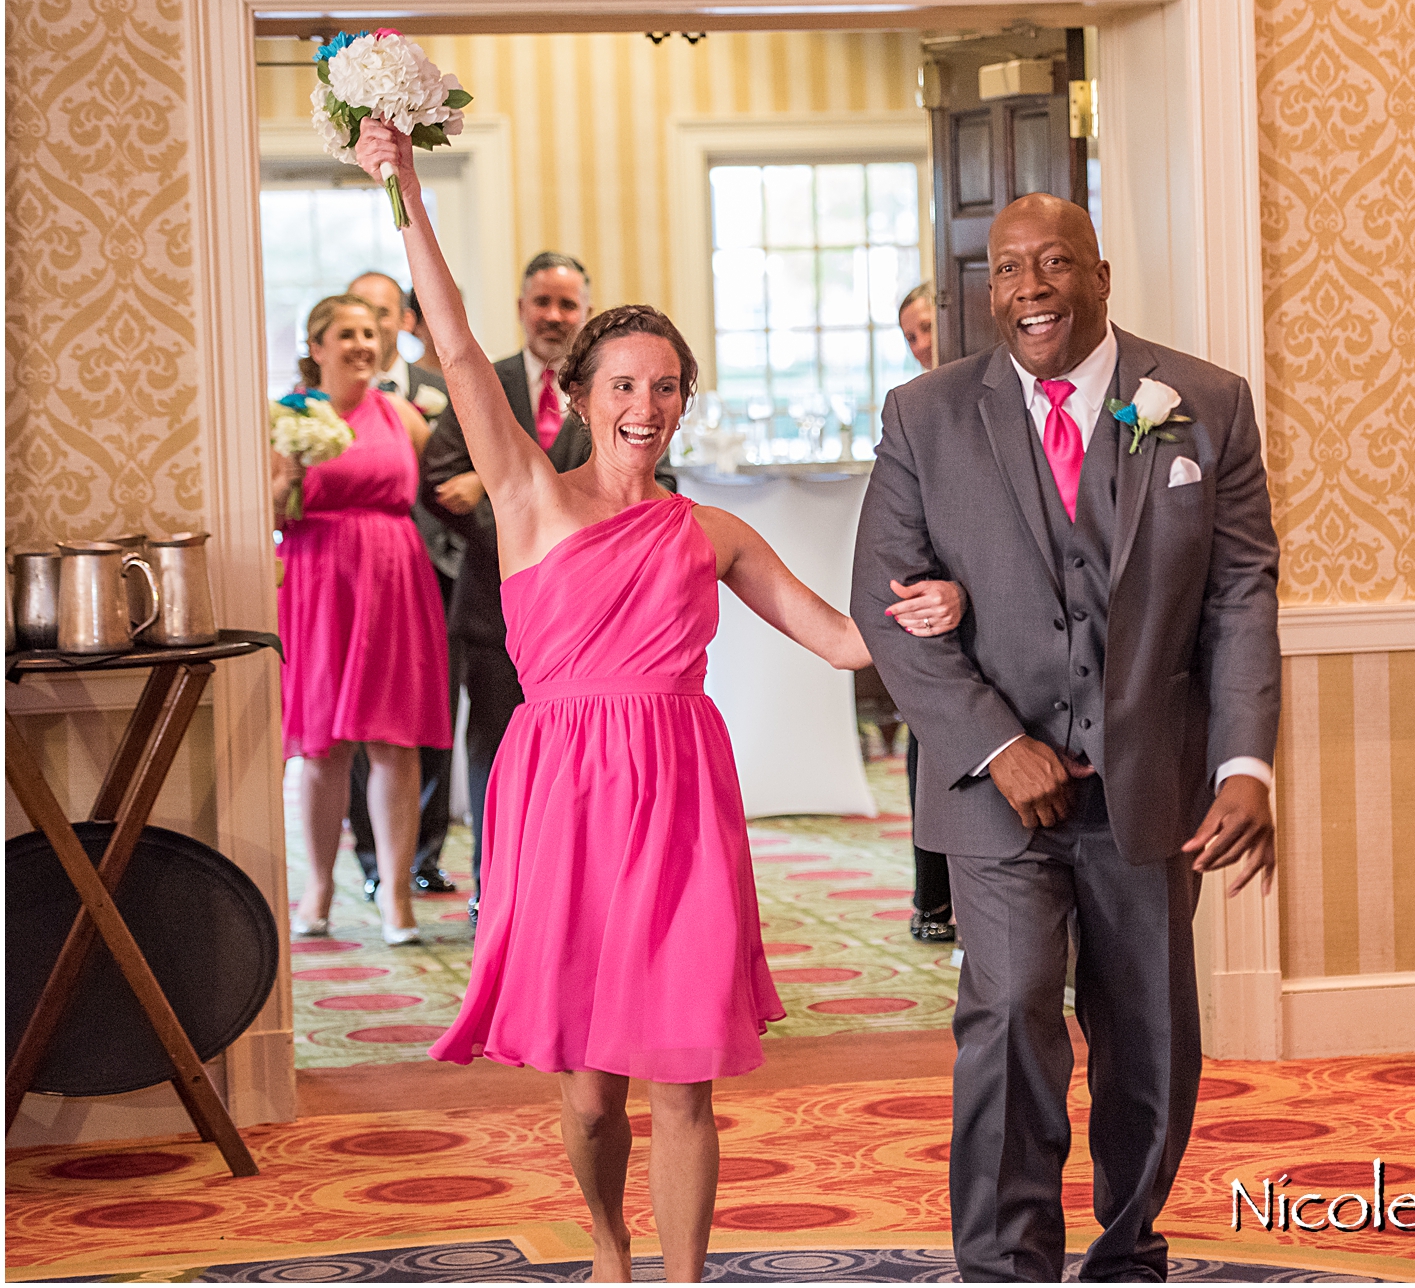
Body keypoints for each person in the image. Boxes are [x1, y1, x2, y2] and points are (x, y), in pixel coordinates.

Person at [356, 120, 964, 1282]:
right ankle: (607, 1239)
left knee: (684, 1072)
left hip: (681, 794)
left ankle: (679, 1278)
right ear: (580, 395)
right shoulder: (529, 496)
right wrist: (404, 185)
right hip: (561, 795)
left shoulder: (712, 531)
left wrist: (930, 607)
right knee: (590, 1092)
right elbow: (456, 339)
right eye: (624, 383)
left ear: (684, 400)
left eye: (666, 386)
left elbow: (841, 640)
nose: (647, 404)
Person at [853, 193, 1281, 1282]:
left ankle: (1129, 1244)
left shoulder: (1201, 404)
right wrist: (997, 744)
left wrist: (1243, 760)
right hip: (995, 794)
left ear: (1098, 272)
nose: (1028, 288)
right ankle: (1005, 1264)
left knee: (1148, 1034)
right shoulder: (923, 415)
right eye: (1005, 270)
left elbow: (1237, 592)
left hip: (1149, 783)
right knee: (1006, 1008)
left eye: (1052, 264)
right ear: (985, 287)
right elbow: (886, 605)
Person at [420, 250, 629, 928]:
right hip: (491, 608)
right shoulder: (490, 383)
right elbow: (441, 480)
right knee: (493, 756)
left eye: (567, 304)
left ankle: (572, 900)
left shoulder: (614, 388)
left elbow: (639, 485)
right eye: (543, 302)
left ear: (585, 312)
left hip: (587, 623)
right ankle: (493, 891)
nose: (554, 316)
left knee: (578, 766)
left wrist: (512, 492)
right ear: (521, 308)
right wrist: (517, 514)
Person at [273, 293, 450, 948]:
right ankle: (318, 886)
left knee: (394, 742)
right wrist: (280, 481)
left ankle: (395, 894)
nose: (362, 344)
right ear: (316, 346)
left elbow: (442, 490)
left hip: (393, 582)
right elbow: (264, 509)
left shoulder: (404, 415)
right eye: (345, 333)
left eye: (371, 333)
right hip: (317, 581)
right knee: (321, 747)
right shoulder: (286, 416)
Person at [344, 270, 462, 901]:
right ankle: (371, 858)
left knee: (431, 716)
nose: (375, 326)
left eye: (385, 313)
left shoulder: (439, 394)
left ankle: (424, 854)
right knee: (367, 720)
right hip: (361, 581)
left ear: (405, 322)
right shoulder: (321, 405)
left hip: (435, 573)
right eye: (360, 313)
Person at [893, 281, 953, 944]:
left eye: (925, 327)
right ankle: (931, 898)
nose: (920, 344)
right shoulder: (913, 409)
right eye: (909, 335)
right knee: (925, 747)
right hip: (931, 598)